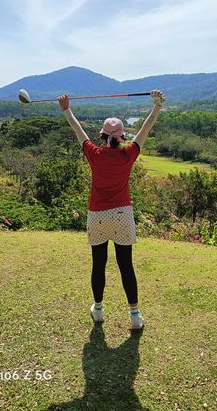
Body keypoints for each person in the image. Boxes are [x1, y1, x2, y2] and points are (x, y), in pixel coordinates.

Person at [58, 89, 165, 330]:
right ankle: (135, 316)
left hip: (97, 214)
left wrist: (66, 108)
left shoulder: (94, 154)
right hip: (122, 215)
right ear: (121, 136)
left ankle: (98, 310)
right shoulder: (128, 154)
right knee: (125, 265)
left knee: (99, 263)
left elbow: (78, 131)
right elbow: (145, 129)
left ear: (104, 135)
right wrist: (156, 106)